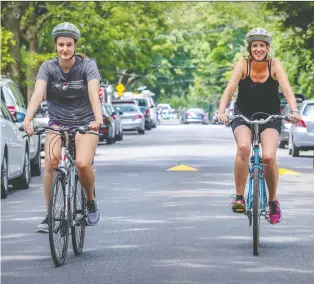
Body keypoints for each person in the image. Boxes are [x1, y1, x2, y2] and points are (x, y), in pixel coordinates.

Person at [22, 22, 103, 233]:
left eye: (69, 44)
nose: (65, 49)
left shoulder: (87, 66)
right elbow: (38, 94)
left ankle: (91, 201)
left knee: (83, 163)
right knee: (51, 161)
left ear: (75, 45)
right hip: (57, 122)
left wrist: (98, 118)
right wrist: (28, 119)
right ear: (56, 46)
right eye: (61, 45)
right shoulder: (48, 67)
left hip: (86, 121)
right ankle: (50, 215)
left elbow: (94, 94)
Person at [218, 27, 301, 224]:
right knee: (244, 147)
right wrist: (222, 111)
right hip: (243, 115)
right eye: (254, 45)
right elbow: (230, 88)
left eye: (262, 45)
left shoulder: (275, 65)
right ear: (250, 47)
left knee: (269, 157)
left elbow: (287, 89)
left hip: (270, 116)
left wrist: (295, 110)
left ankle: (273, 202)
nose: (258, 49)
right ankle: (239, 197)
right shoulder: (243, 64)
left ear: (267, 47)